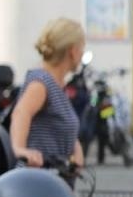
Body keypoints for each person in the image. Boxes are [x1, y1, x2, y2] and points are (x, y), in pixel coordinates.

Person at [8, 18, 85, 171]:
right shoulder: (41, 83)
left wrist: (76, 150)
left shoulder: (57, 85)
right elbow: (21, 112)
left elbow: (60, 126)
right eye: (82, 48)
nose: (83, 54)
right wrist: (20, 149)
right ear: (72, 51)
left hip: (54, 184)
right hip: (37, 183)